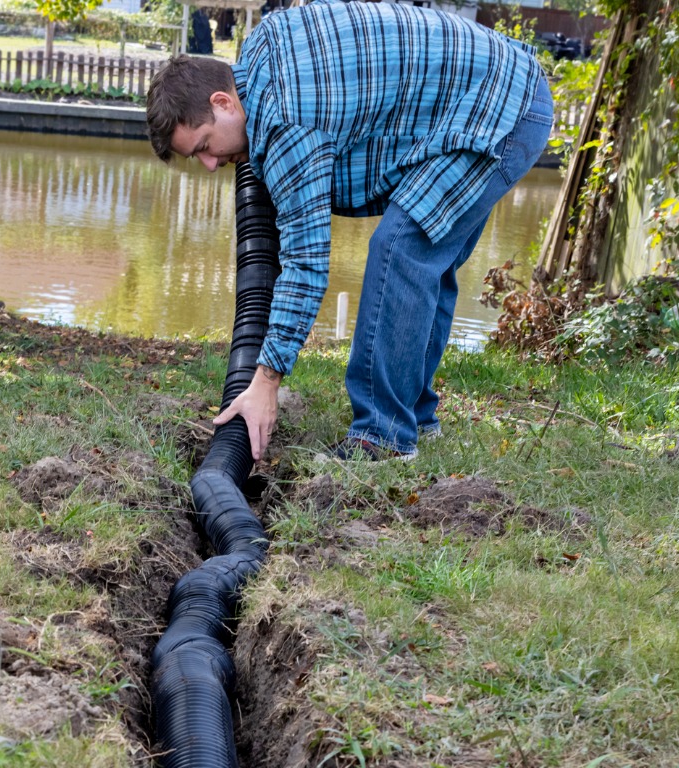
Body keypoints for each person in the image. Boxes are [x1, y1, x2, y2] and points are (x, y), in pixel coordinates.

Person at [146, 0, 553, 462]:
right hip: (495, 88)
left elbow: (305, 264)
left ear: (223, 101)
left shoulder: (288, 122)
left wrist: (265, 382)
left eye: (204, 146)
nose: (211, 164)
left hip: (498, 108)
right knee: (423, 261)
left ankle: (383, 437)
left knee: (401, 249)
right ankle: (414, 417)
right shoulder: (260, 56)